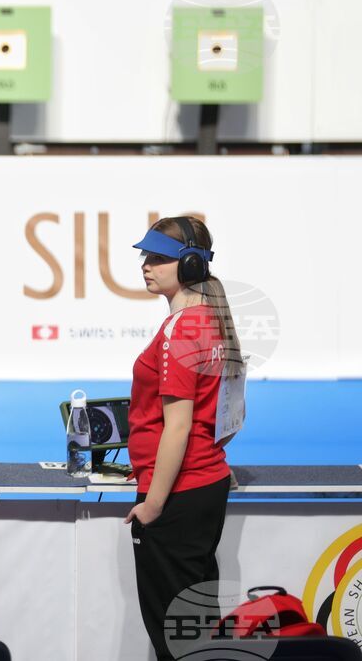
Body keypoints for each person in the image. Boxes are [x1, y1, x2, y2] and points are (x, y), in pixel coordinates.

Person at [125, 216, 245, 660]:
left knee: (175, 637)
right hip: (205, 483)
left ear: (190, 265)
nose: (145, 264)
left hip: (176, 494)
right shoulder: (212, 320)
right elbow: (229, 410)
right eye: (145, 255)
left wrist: (152, 506)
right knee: (196, 627)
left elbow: (178, 426)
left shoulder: (181, 330)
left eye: (158, 257)